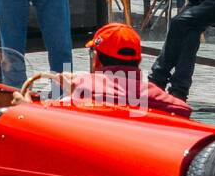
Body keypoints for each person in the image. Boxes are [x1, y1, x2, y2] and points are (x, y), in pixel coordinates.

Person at [57, 24, 192, 120]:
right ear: (139, 61)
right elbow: (183, 109)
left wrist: (72, 87)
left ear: (96, 59)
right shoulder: (169, 103)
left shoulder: (81, 90)